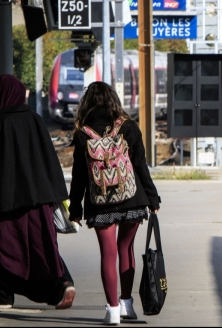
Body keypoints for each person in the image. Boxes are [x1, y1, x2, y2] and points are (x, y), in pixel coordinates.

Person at [68, 82, 160, 325]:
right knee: (125, 249)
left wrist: (75, 208)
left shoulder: (82, 133)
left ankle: (112, 311)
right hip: (132, 197)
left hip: (100, 202)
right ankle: (127, 304)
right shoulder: (127, 126)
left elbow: (79, 176)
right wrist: (152, 198)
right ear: (113, 99)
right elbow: (140, 165)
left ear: (87, 103)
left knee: (107, 254)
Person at [0, 74, 75, 310]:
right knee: (41, 245)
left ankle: (1, 294)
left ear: (5, 94)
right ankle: (62, 284)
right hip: (40, 199)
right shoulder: (34, 119)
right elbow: (48, 160)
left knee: (4, 245)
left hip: (9, 203)